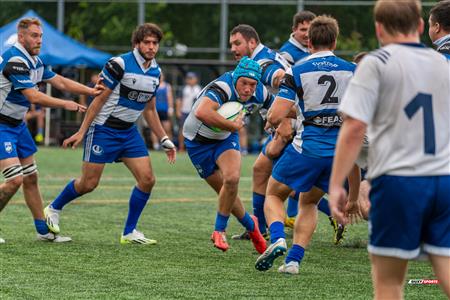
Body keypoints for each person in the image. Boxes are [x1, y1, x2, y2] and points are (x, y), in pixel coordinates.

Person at [329, 1, 450, 298]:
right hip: (443, 178)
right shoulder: (441, 62)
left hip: (400, 181)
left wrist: (336, 185)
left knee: (389, 281)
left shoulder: (376, 62)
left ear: (379, 29)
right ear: (421, 27)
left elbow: (354, 127)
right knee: (446, 267)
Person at [44, 23, 176, 245]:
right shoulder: (119, 64)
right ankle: (53, 208)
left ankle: (129, 232)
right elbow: (98, 100)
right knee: (88, 184)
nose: (152, 47)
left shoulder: (156, 71)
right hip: (103, 129)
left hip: (128, 132)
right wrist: (82, 131)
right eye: (147, 42)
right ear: (137, 43)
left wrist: (164, 139)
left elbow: (150, 110)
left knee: (147, 180)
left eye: (155, 43)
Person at [254, 16, 359, 274]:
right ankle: (293, 261)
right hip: (340, 154)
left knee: (274, 193)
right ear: (334, 41)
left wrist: (287, 116)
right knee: (308, 202)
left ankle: (278, 237)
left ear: (309, 42)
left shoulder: (296, 70)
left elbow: (276, 115)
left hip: (307, 148)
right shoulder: (352, 70)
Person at [0, 17, 97, 243]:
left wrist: (91, 91)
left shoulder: (35, 61)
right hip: (2, 125)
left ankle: (42, 230)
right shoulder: (15, 60)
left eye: (41, 36)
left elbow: (60, 82)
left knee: (31, 177)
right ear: (21, 37)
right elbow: (33, 96)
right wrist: (66, 104)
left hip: (17, 125)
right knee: (15, 180)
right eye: (34, 35)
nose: (39, 40)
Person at [183, 57, 270, 253]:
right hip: (197, 142)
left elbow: (278, 109)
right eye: (244, 83)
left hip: (224, 139)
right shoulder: (223, 87)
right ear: (236, 78)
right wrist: (234, 126)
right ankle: (251, 226)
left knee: (231, 179)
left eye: (252, 84)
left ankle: (219, 230)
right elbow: (202, 112)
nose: (248, 89)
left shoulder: (261, 92)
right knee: (225, 191)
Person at [177, 72, 201, 151]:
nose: (190, 80)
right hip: (185, 111)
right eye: (188, 78)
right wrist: (178, 111)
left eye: (191, 78)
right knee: (182, 129)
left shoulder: (199, 89)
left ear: (196, 79)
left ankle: (194, 148)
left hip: (195, 113)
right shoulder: (183, 88)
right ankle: (181, 147)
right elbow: (179, 100)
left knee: (196, 130)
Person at [151, 72, 174, 149]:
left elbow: (169, 97)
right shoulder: (153, 85)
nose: (160, 77)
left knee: (167, 128)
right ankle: (155, 145)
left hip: (164, 110)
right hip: (155, 110)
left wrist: (170, 108)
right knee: (154, 128)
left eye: (161, 76)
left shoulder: (167, 86)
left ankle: (169, 145)